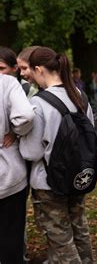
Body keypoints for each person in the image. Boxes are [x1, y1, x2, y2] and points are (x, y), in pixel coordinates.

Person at [19, 47, 94, 263]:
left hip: (48, 182)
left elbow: (32, 152)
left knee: (60, 238)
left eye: (31, 71)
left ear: (39, 69)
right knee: (80, 229)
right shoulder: (80, 96)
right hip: (78, 176)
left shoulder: (39, 103)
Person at [0, 52, 35, 264]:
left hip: (9, 171)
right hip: (8, 170)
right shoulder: (7, 83)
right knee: (12, 231)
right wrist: (16, 129)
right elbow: (26, 115)